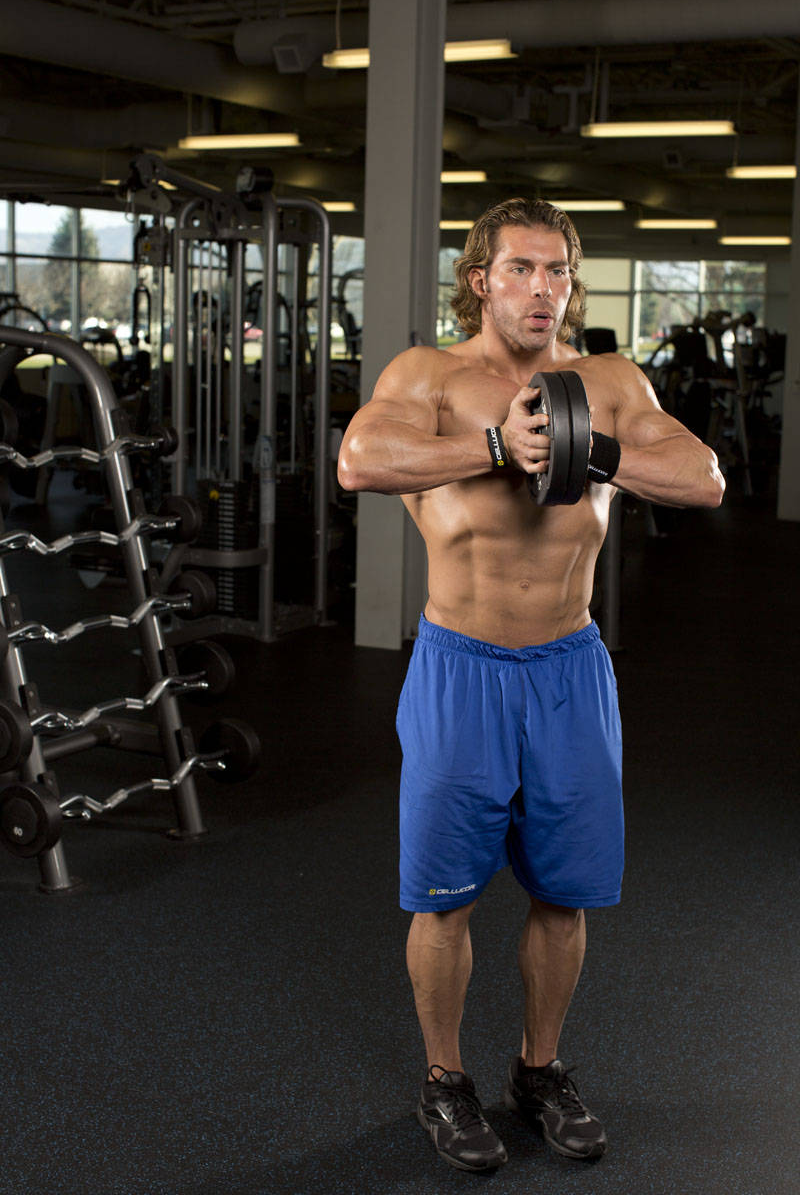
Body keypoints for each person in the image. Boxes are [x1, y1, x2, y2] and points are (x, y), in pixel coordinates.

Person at [337, 197, 725, 1174]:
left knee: (565, 894)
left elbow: (704, 478)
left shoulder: (607, 382)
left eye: (557, 270)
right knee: (444, 900)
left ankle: (538, 1069)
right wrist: (494, 449)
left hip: (569, 670)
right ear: (480, 279)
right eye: (520, 268)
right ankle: (444, 1079)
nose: (541, 288)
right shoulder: (428, 376)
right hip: (460, 667)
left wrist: (594, 450)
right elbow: (359, 461)